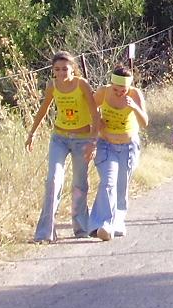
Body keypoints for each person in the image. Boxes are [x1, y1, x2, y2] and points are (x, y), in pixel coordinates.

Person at [26, 52, 101, 243]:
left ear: (72, 69)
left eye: (64, 69)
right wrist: (32, 133)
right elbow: (44, 109)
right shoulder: (52, 85)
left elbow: (95, 113)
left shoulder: (82, 84)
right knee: (53, 180)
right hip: (59, 138)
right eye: (57, 69)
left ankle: (81, 228)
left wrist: (93, 142)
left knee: (79, 184)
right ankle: (45, 232)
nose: (61, 73)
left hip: (82, 139)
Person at [88, 65, 149, 241]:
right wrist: (97, 121)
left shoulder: (135, 94)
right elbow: (90, 108)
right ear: (111, 84)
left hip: (128, 146)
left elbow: (144, 122)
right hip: (106, 144)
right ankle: (103, 224)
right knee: (108, 182)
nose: (119, 93)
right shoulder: (103, 92)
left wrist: (134, 107)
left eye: (123, 90)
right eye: (116, 89)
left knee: (121, 186)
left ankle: (117, 222)